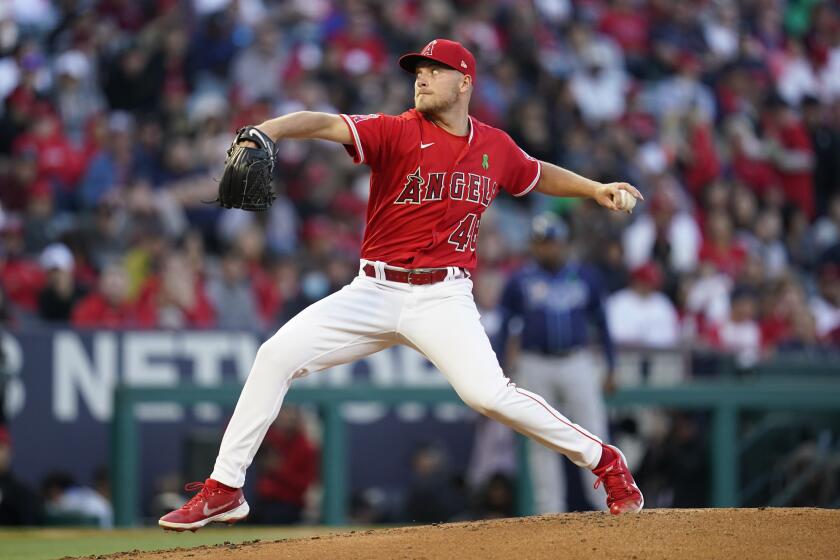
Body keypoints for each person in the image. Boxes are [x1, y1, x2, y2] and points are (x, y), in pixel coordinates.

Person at [159, 39, 644, 531]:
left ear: (465, 82)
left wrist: (594, 188)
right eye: (418, 70)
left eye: (435, 70)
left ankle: (603, 459)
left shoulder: (494, 146)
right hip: (374, 289)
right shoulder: (396, 131)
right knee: (275, 356)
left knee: (489, 395)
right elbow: (326, 123)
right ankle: (225, 488)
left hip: (443, 297)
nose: (422, 77)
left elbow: (536, 174)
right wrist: (267, 130)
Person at [498, 213, 616, 513]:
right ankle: (548, 512)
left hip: (577, 360)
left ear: (565, 243)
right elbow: (505, 325)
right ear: (534, 246)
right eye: (542, 243)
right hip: (535, 362)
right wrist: (499, 368)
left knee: (594, 431)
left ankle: (607, 503)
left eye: (553, 242)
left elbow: (602, 323)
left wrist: (611, 365)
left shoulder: (585, 275)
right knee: (541, 438)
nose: (549, 248)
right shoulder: (520, 279)